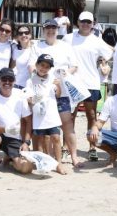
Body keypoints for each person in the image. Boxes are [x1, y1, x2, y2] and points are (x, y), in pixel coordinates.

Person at [63, 11, 114, 162]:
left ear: (93, 24)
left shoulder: (97, 40)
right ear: (77, 22)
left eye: (88, 22)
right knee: (69, 117)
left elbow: (111, 52)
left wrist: (102, 62)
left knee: (91, 116)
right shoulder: (68, 38)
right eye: (83, 21)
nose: (85, 24)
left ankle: (92, 147)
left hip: (91, 82)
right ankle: (66, 147)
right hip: (72, 83)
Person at [30, 19, 81, 167]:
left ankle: (74, 157)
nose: (50, 31)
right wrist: (42, 79)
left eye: (53, 28)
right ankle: (47, 158)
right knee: (44, 127)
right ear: (43, 30)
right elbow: (32, 66)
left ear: (58, 30)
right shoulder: (37, 45)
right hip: (43, 94)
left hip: (62, 92)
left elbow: (74, 66)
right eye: (48, 28)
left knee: (67, 124)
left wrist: (63, 75)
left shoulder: (65, 46)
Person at [0, 68, 34, 177]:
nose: (7, 82)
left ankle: (9, 157)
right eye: (4, 79)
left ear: (14, 81)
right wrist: (5, 129)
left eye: (10, 79)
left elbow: (28, 120)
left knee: (26, 168)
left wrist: (26, 142)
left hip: (15, 137)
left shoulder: (20, 95)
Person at [26, 54, 67, 175]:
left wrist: (58, 86)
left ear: (50, 69)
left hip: (52, 114)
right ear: (37, 65)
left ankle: (59, 164)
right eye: (41, 65)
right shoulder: (30, 81)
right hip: (38, 116)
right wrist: (33, 99)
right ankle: (42, 164)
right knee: (39, 141)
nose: (43, 68)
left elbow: (58, 95)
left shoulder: (53, 79)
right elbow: (27, 98)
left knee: (56, 138)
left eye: (47, 67)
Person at [10, 24, 34, 89]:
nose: (23, 35)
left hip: (32, 86)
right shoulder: (15, 49)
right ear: (17, 37)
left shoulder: (36, 48)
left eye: (26, 33)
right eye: (20, 33)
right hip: (17, 85)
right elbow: (12, 67)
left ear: (30, 35)